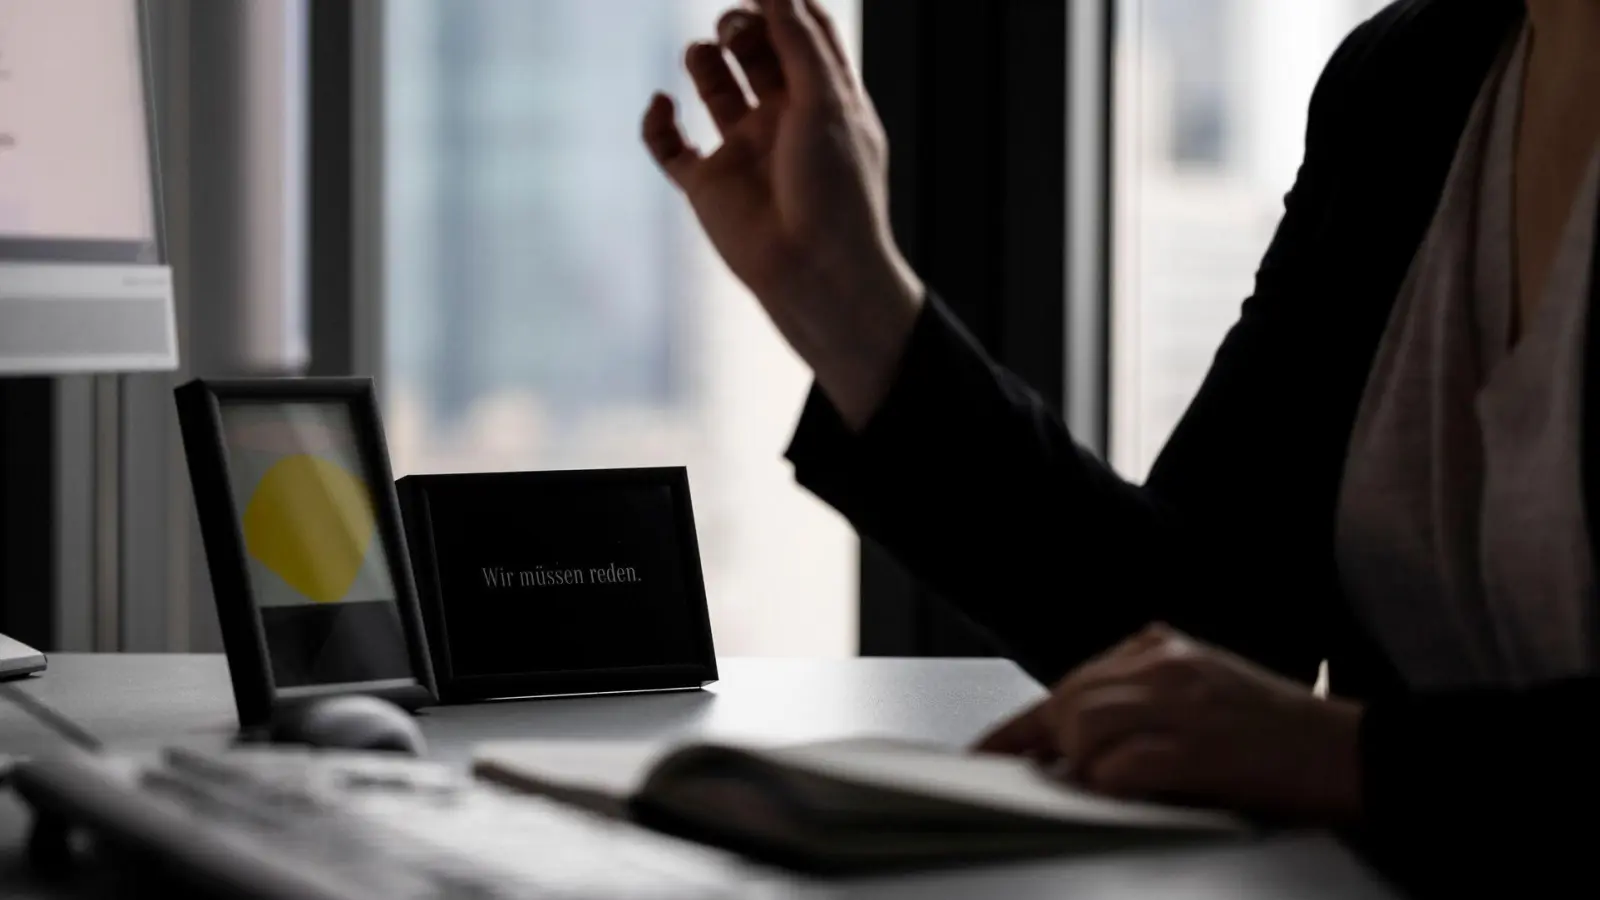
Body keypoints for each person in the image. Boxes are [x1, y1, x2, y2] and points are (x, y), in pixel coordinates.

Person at [641, 0, 1599, 882]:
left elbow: (1281, 728)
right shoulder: (1415, 76)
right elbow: (1203, 634)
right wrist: (847, 298)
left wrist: (1348, 756)